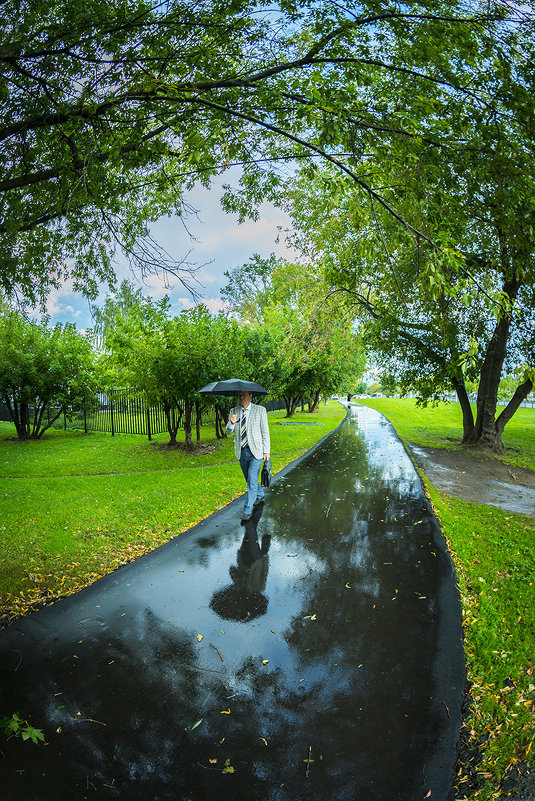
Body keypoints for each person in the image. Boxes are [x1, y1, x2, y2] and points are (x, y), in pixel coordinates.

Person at [226, 390, 270, 521]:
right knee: (249, 478)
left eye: (244, 395)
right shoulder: (234, 411)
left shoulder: (260, 410)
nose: (241, 398)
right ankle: (260, 494)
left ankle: (247, 510)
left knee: (251, 478)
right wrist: (231, 423)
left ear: (251, 395)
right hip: (242, 451)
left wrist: (266, 450)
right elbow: (228, 432)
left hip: (256, 451)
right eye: (239, 395)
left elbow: (265, 431)